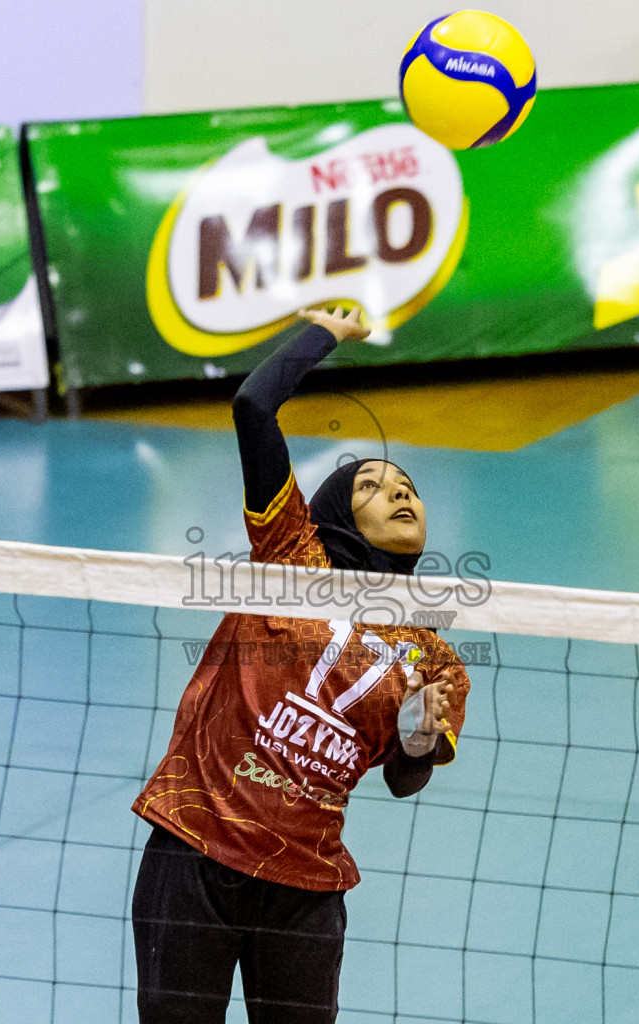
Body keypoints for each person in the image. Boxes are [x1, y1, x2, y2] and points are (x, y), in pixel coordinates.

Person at [131, 305, 470, 1024]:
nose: (400, 492)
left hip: (305, 886)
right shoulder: (289, 553)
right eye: (373, 486)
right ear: (335, 514)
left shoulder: (435, 659)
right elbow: (254, 405)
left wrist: (414, 743)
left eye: (407, 486)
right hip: (197, 848)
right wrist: (328, 334)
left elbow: (407, 780)